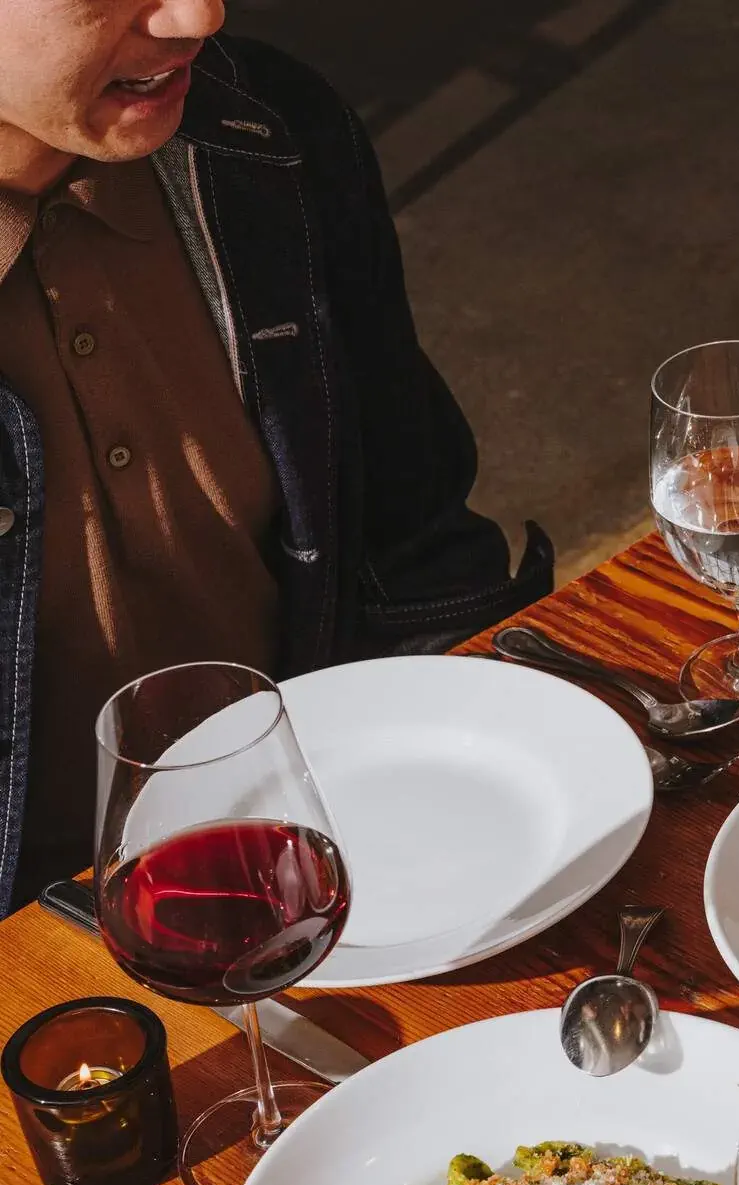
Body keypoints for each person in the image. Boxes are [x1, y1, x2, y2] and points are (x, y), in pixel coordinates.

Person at [0, 0, 552, 911]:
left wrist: (500, 784)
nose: (199, 13)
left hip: (347, 842)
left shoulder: (263, 130)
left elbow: (410, 541)